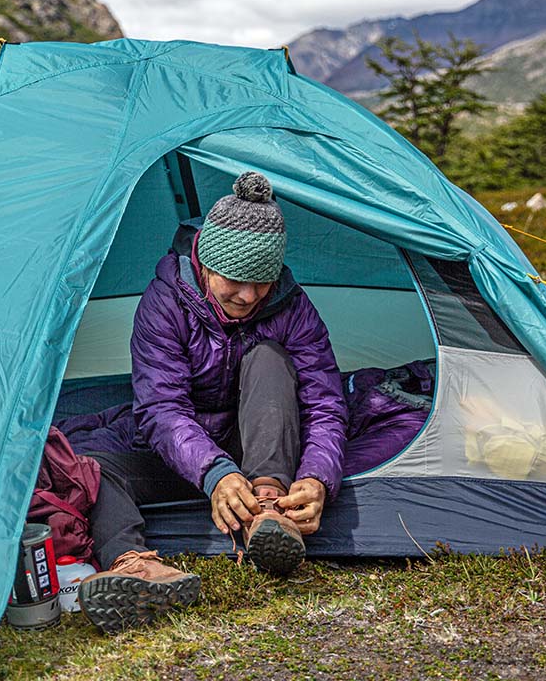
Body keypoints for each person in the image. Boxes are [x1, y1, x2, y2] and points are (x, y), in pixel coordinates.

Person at [77, 171, 348, 633]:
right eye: (237, 281)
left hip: (261, 447)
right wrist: (215, 472)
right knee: (89, 467)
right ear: (205, 263)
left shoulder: (292, 307)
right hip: (184, 455)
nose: (249, 296)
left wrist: (318, 477)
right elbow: (162, 410)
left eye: (262, 283)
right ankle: (136, 566)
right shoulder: (164, 305)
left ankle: (267, 510)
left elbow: (326, 403)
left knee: (267, 357)